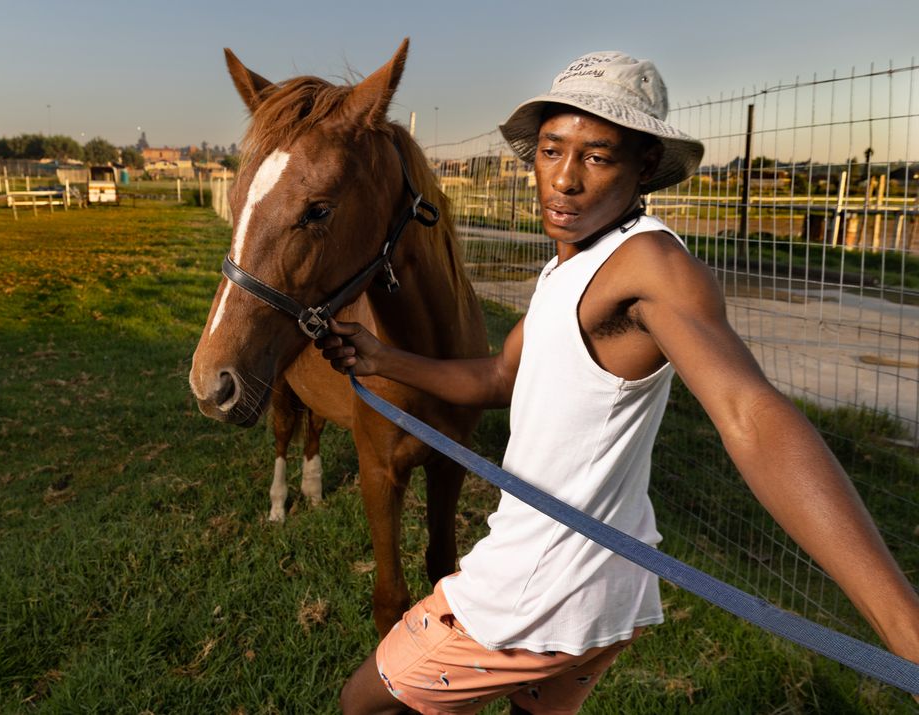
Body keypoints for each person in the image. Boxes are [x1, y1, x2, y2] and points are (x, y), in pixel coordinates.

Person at [316, 51, 919, 714]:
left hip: (529, 596)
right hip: (607, 594)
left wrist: (904, 629)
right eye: (551, 150)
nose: (565, 179)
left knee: (362, 702)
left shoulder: (650, 263)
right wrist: (379, 357)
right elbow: (497, 375)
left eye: (598, 156)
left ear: (645, 168)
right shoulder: (568, 267)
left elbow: (750, 415)